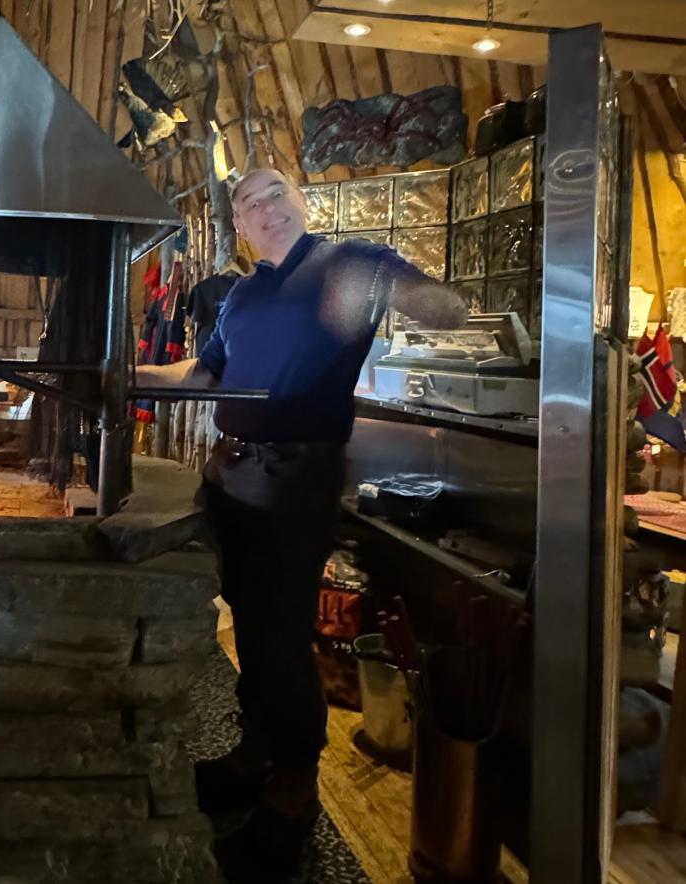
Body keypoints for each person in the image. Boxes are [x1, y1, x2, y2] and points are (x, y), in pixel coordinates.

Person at [137, 168, 466, 881]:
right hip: (230, 476)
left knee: (282, 636)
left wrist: (396, 288)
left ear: (300, 204)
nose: (265, 208)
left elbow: (445, 312)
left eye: (275, 193)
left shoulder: (348, 263)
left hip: (296, 481)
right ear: (241, 226)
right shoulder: (243, 293)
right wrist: (125, 373)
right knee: (254, 626)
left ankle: (295, 782)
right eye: (249, 203)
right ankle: (254, 750)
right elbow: (204, 377)